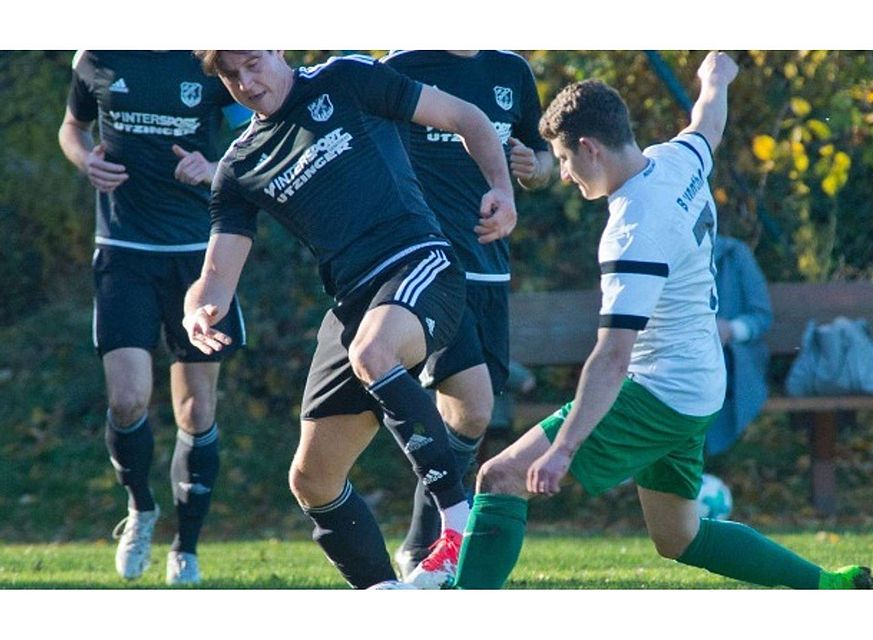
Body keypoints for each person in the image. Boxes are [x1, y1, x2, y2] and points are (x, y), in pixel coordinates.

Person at [453, 52, 873, 590]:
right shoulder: (675, 160)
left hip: (660, 390)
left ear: (590, 147)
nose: (564, 173)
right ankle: (829, 587)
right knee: (680, 537)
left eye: (564, 158)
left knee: (500, 476)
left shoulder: (634, 230)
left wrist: (563, 449)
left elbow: (613, 356)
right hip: (700, 383)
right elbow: (708, 121)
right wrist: (715, 78)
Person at [184, 50, 517, 590]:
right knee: (312, 480)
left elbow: (467, 117)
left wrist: (501, 187)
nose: (246, 82)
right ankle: (385, 594)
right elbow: (215, 276)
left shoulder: (346, 79)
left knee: (378, 355)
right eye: (230, 74)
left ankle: (457, 528)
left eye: (253, 63)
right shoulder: (238, 168)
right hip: (351, 305)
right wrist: (198, 309)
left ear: (278, 47)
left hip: (419, 263)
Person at [58, 50, 251, 586]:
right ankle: (140, 507)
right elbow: (71, 128)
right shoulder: (97, 54)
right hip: (123, 251)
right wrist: (85, 160)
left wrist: (214, 168)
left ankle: (186, 547)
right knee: (126, 399)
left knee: (196, 408)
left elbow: (259, 137)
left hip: (199, 257)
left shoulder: (212, 55)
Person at [381, 49, 553, 580]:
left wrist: (535, 168)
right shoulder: (403, 64)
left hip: (491, 272)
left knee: (468, 416)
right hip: (430, 267)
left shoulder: (512, 70)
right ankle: (425, 542)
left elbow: (544, 158)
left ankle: (427, 541)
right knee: (473, 409)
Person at [706, 233, 773, 457]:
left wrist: (730, 329)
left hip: (728, 361)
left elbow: (761, 316)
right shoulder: (661, 253)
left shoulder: (734, 254)